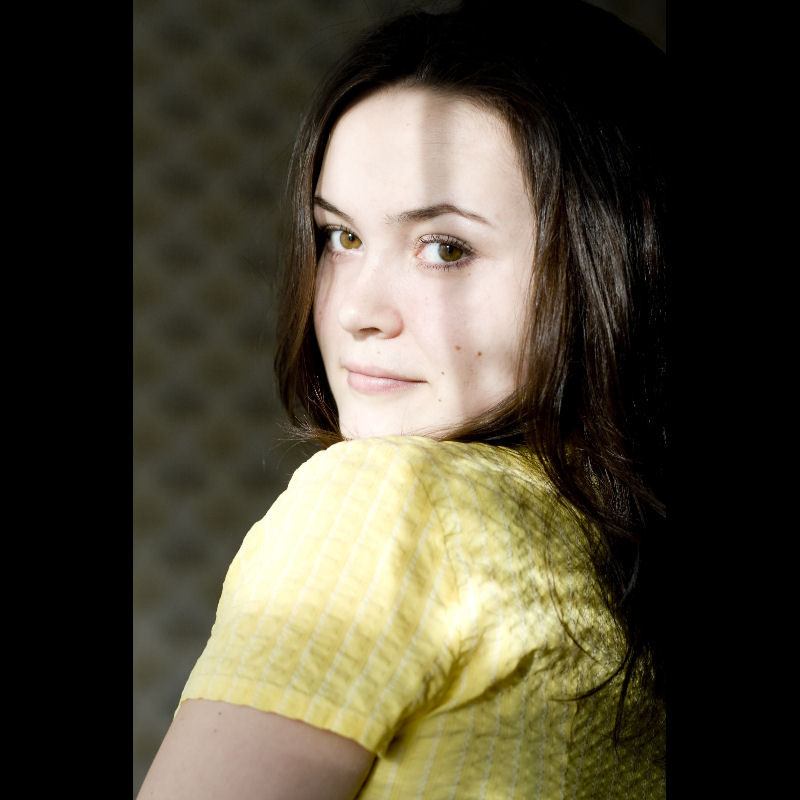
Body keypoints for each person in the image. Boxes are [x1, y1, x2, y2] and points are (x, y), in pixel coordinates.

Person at [137, 1, 667, 797]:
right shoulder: (619, 545)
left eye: (445, 247)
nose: (356, 311)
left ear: (610, 263)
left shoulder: (392, 499)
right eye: (341, 236)